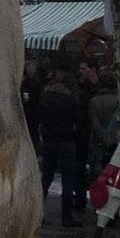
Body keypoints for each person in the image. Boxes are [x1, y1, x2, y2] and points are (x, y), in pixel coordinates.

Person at [38, 66, 89, 225]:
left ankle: (39, 214)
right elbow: (77, 119)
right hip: (67, 142)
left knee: (45, 178)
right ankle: (66, 216)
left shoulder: (44, 97)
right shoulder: (70, 100)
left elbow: (39, 118)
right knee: (68, 180)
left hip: (49, 141)